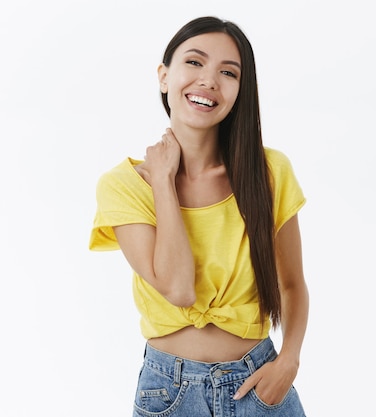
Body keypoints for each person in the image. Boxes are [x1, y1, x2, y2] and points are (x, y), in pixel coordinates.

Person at [89, 16, 308, 417]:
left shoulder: (269, 172)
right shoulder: (124, 186)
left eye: (228, 72)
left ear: (241, 91)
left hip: (259, 385)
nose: (209, 80)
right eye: (194, 62)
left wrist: (288, 362)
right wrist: (162, 182)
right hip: (168, 393)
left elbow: (292, 284)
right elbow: (178, 289)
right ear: (163, 76)